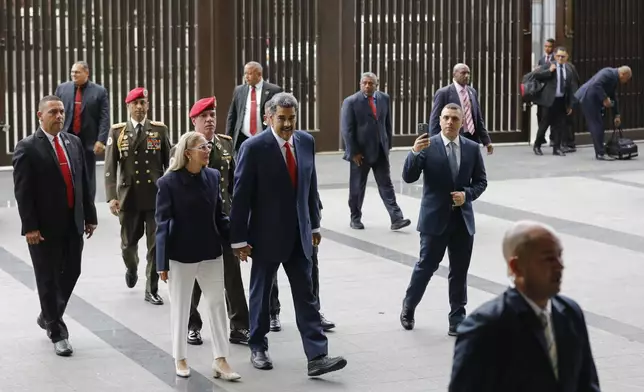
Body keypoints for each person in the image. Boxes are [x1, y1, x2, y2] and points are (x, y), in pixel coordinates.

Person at [230, 92, 347, 377]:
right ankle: (257, 346)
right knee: (260, 295)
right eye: (281, 118)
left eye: (291, 118)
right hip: (265, 237)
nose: (287, 124)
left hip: (300, 236)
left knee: (306, 296)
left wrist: (315, 225)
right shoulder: (254, 148)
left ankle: (317, 356)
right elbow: (241, 195)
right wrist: (239, 239)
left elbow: (310, 185)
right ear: (268, 118)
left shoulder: (305, 142)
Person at [449, 221, 601, 392]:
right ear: (516, 267)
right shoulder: (486, 328)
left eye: (560, 255)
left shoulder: (570, 314)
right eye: (548, 258)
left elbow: (587, 384)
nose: (560, 266)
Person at [12, 95, 98, 356]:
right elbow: (23, 192)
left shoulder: (73, 142)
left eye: (61, 111)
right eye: (53, 112)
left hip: (73, 222)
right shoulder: (27, 147)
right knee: (47, 278)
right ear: (40, 115)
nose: (59, 116)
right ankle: (56, 331)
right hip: (44, 228)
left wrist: (90, 215)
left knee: (73, 270)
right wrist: (30, 227)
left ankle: (48, 314)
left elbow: (82, 182)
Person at [156, 131, 241, 381]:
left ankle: (221, 360)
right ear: (187, 153)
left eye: (208, 146)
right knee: (182, 307)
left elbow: (219, 216)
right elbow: (162, 224)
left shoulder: (213, 177)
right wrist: (161, 262)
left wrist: (237, 242)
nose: (207, 150)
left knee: (216, 305)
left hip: (210, 251)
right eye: (202, 147)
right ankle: (180, 357)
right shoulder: (168, 182)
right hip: (180, 255)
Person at [400, 103, 487, 336]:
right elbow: (408, 177)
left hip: (462, 221)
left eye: (455, 119)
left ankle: (457, 318)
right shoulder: (428, 146)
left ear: (462, 122)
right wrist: (414, 152)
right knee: (426, 266)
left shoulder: (471, 148)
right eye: (446, 118)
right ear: (439, 120)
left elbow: (481, 182)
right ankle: (409, 306)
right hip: (434, 220)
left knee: (459, 271)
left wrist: (466, 195)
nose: (450, 122)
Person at [169, 97, 250, 346]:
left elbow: (236, 183)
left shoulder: (225, 145)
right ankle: (192, 325)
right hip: (194, 226)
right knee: (194, 278)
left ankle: (239, 326)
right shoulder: (181, 148)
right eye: (204, 116)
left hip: (222, 221)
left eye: (213, 115)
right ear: (194, 121)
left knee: (232, 275)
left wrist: (240, 218)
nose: (210, 120)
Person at [104, 87, 171, 304]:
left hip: (155, 197)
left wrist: (171, 193)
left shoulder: (159, 130)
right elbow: (109, 166)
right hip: (129, 197)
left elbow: (168, 163)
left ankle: (151, 289)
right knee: (128, 245)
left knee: (155, 246)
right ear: (128, 107)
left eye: (143, 103)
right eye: (136, 104)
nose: (140, 107)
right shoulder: (118, 132)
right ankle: (131, 268)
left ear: (148, 105)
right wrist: (111, 196)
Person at [341, 72, 411, 231]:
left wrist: (388, 146)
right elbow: (347, 130)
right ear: (360, 84)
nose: (367, 86)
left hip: (380, 151)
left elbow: (387, 124)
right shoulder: (351, 102)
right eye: (364, 83)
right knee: (357, 187)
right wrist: (353, 153)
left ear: (376, 85)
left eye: (371, 83)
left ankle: (396, 218)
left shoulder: (384, 99)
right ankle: (355, 217)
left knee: (386, 185)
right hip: (361, 154)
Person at [54, 61, 110, 200]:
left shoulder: (99, 91)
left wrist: (101, 140)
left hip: (88, 140)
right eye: (72, 72)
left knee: (88, 175)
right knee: (66, 171)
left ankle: (88, 205)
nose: (74, 75)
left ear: (86, 73)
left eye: (77, 72)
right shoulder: (62, 89)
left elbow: (104, 118)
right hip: (66, 138)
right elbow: (55, 113)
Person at [429, 63, 494, 154]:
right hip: (454, 137)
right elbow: (435, 120)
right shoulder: (444, 93)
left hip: (472, 138)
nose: (467, 76)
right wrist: (435, 143)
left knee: (473, 166)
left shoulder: (472, 92)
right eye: (463, 73)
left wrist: (487, 141)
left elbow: (478, 118)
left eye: (468, 73)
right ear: (454, 74)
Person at [225, 61, 282, 156]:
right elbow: (232, 114)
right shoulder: (239, 90)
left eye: (250, 73)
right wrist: (228, 137)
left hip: (264, 138)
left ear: (259, 74)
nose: (246, 76)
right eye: (245, 73)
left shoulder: (274, 90)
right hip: (242, 138)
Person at [575, 65, 632, 160]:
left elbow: (613, 96)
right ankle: (600, 153)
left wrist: (616, 115)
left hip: (594, 99)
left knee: (599, 124)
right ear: (623, 74)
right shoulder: (608, 73)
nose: (626, 82)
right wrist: (605, 98)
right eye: (626, 79)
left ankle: (601, 150)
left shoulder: (614, 78)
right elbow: (596, 84)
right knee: (596, 124)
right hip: (588, 98)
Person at [531, 47, 577, 156]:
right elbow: (536, 75)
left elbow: (570, 88)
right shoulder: (549, 65)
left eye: (563, 56)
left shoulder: (569, 70)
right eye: (558, 56)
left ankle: (556, 148)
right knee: (544, 124)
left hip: (561, 101)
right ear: (555, 56)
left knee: (559, 125)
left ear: (567, 57)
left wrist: (570, 104)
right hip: (549, 101)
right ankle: (537, 145)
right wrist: (549, 71)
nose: (560, 58)